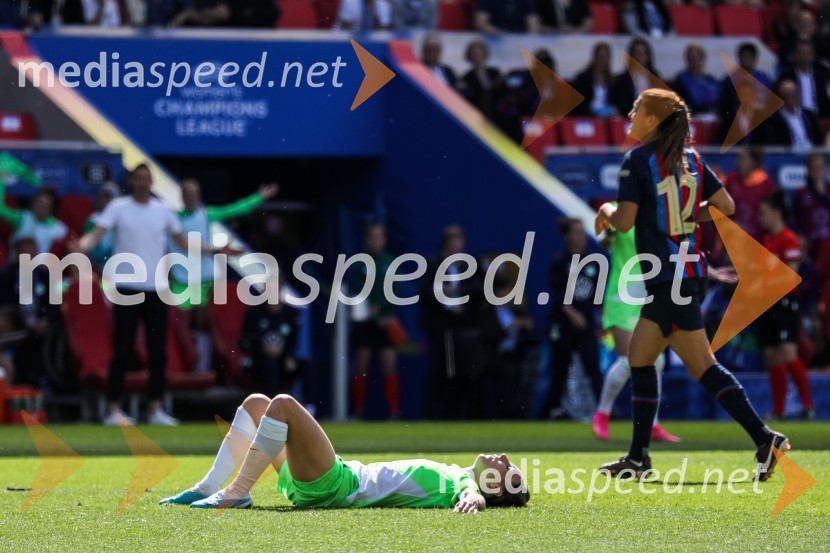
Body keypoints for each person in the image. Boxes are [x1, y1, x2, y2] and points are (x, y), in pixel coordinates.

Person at [594, 88, 787, 481]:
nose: (631, 114)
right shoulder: (693, 161)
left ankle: (765, 439)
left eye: (637, 109)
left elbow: (625, 221)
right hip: (688, 274)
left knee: (700, 365)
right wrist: (679, 217)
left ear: (652, 120)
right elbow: (726, 207)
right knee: (642, 359)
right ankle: (638, 458)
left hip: (667, 277)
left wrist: (606, 210)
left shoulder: (637, 161)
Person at [159, 393, 530, 511]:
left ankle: (236, 493)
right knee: (258, 403)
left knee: (283, 405)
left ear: (495, 488)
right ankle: (209, 486)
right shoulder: (455, 473)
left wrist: (475, 500)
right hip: (323, 481)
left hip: (337, 484)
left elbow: (469, 493)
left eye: (507, 469)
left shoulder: (463, 483)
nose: (504, 457)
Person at [73, 163, 236, 426]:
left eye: (147, 179)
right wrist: (80, 246)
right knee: (122, 350)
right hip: (126, 288)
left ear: (151, 183)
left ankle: (155, 409)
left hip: (157, 289)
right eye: (138, 178)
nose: (142, 183)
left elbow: (184, 243)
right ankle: (113, 409)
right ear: (132, 182)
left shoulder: (163, 211)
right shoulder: (118, 207)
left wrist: (215, 250)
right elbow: (95, 235)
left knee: (158, 352)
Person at [172, 179, 278, 374]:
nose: (192, 196)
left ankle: (202, 368)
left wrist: (259, 197)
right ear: (182, 196)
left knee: (203, 321)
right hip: (180, 279)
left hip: (204, 278)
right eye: (188, 192)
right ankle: (184, 365)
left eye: (195, 192)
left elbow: (234, 209)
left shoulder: (206, 214)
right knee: (181, 324)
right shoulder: (172, 218)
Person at [591, 222, 680, 443]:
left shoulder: (657, 214)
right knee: (629, 359)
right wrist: (610, 232)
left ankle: (653, 424)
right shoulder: (616, 211)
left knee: (655, 360)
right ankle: (603, 412)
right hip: (621, 296)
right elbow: (605, 241)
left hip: (648, 294)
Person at [758, 192, 815, 421]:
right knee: (772, 356)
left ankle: (808, 406)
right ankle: (779, 410)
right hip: (767, 303)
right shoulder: (767, 240)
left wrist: (765, 280)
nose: (761, 217)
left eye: (764, 212)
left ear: (776, 213)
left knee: (788, 354)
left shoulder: (788, 238)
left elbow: (792, 274)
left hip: (784, 302)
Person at [542, 217, 603, 420]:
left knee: (593, 367)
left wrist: (603, 320)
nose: (581, 236)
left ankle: (605, 410)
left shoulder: (594, 262)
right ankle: (552, 410)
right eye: (576, 232)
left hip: (586, 325)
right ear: (567, 235)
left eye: (582, 232)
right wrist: (572, 313)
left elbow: (598, 297)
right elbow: (559, 296)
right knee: (560, 368)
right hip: (563, 324)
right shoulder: (559, 263)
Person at [420, 225, 483, 419]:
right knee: (437, 371)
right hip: (440, 327)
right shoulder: (432, 264)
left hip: (462, 328)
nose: (456, 248)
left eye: (459, 243)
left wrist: (459, 295)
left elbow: (479, 290)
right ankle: (429, 416)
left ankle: (453, 414)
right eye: (452, 244)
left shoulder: (469, 266)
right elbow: (425, 291)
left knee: (462, 374)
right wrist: (444, 298)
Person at [351, 223, 401, 419]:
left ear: (384, 239)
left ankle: (394, 412)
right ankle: (358, 411)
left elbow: (395, 292)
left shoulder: (390, 263)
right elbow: (356, 290)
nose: (376, 240)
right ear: (367, 239)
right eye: (372, 236)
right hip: (365, 323)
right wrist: (369, 308)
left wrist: (385, 313)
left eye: (379, 236)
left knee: (389, 366)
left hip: (385, 322)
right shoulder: (359, 264)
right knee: (361, 366)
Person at [239, 285, 302, 398]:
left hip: (283, 360)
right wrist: (261, 349)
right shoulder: (253, 313)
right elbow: (244, 341)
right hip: (259, 361)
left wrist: (288, 356)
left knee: (307, 366)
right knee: (270, 361)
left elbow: (293, 341)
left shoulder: (291, 314)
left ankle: (310, 409)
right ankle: (271, 404)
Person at [718, 42, 772, 145]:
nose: (746, 60)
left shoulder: (764, 78)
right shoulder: (730, 79)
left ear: (755, 58)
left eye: (749, 57)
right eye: (743, 57)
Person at [724, 146, 778, 241]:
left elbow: (774, 216)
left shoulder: (767, 185)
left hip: (760, 240)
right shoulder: (730, 181)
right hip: (734, 239)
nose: (737, 163)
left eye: (742, 159)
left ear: (754, 162)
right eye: (737, 158)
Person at [0, 185, 67, 255]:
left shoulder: (59, 229)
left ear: (51, 207)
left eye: (45, 205)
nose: (41, 207)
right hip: (17, 264)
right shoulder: (22, 218)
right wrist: (1, 181)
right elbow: (1, 210)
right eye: (39, 203)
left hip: (42, 265)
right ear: (34, 202)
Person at [754, 80, 821, 149]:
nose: (789, 99)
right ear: (780, 97)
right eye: (786, 96)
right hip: (788, 155)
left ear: (798, 95)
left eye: (792, 95)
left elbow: (818, 138)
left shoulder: (809, 114)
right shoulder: (773, 119)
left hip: (810, 153)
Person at [778, 39, 830, 118]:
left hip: (819, 117)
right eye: (802, 53)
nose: (805, 57)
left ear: (813, 55)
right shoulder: (787, 76)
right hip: (797, 117)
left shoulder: (821, 76)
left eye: (808, 53)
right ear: (795, 54)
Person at [611, 38, 661, 118]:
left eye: (643, 53)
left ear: (648, 56)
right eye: (637, 53)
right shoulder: (623, 79)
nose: (640, 56)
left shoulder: (655, 77)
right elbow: (622, 104)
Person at [671, 43, 720, 116]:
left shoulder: (711, 80)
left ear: (703, 59)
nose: (695, 61)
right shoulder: (681, 80)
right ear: (687, 59)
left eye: (698, 57)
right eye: (692, 58)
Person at [571, 42, 617, 118]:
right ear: (595, 58)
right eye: (601, 57)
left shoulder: (613, 80)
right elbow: (579, 103)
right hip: (588, 115)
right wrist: (593, 109)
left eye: (606, 57)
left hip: (608, 118)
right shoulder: (583, 78)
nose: (604, 61)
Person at [460, 39, 502, 117]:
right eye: (474, 54)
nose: (477, 57)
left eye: (479, 54)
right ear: (470, 56)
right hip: (478, 111)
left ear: (484, 55)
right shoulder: (467, 77)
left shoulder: (495, 72)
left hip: (496, 110)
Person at [474, 0, 541, 34]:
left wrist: (528, 40)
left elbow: (533, 24)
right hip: (495, 38)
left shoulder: (526, 1)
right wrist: (501, 34)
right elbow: (480, 23)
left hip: (519, 38)